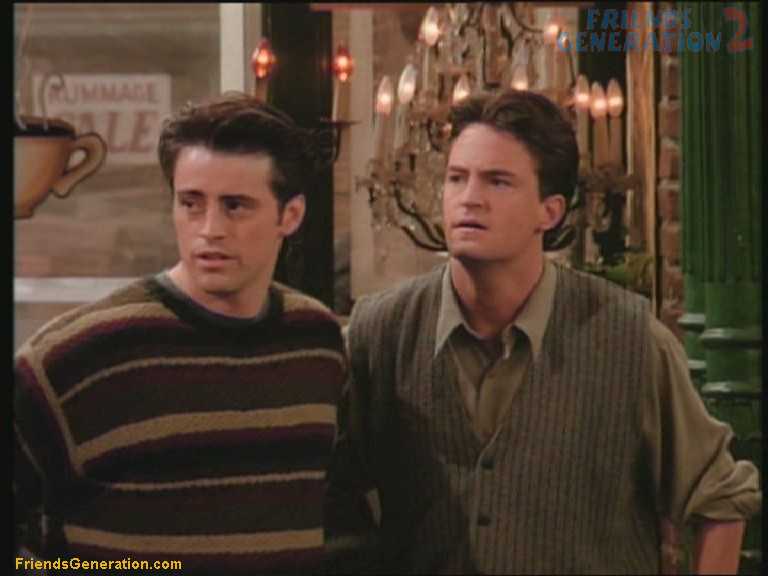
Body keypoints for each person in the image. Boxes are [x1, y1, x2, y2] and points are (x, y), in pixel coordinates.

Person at [334, 89, 761, 574]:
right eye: (457, 178)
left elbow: (721, 497)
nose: (469, 198)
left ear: (550, 211)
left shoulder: (629, 338)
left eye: (498, 181)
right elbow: (331, 497)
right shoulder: (381, 333)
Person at [13, 93, 346, 574]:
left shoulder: (316, 342)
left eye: (235, 207)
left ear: (290, 216)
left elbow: (336, 513)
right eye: (191, 203)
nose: (210, 229)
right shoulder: (75, 356)